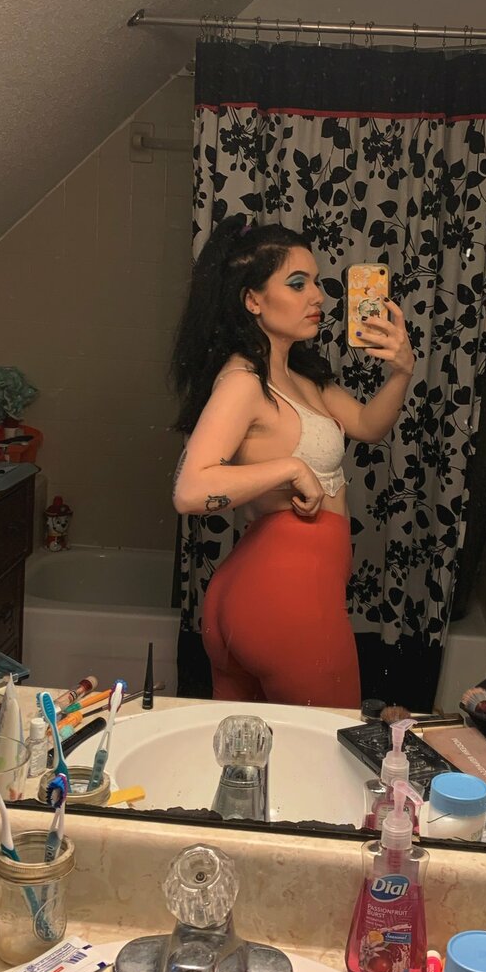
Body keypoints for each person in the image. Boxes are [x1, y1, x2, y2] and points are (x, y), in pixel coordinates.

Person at [172, 216, 414, 708]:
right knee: (329, 744)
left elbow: (368, 424)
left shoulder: (300, 377)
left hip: (255, 594)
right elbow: (189, 491)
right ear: (253, 300)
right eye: (297, 284)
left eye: (317, 283)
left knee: (244, 754)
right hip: (286, 600)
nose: (318, 297)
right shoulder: (244, 381)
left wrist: (401, 371)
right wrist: (291, 469)